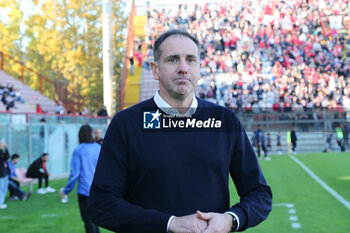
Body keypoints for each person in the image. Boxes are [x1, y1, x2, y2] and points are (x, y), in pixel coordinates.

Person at [88, 29, 272, 233]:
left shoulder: (225, 121)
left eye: (190, 59)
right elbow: (101, 204)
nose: (183, 68)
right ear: (155, 69)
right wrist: (169, 223)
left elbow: (259, 194)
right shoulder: (126, 124)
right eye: (173, 59)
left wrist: (231, 219)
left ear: (199, 68)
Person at [60, 125, 101, 233]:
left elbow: (74, 174)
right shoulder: (98, 148)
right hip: (99, 190)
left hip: (85, 191)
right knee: (95, 220)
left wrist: (66, 191)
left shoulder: (78, 150)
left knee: (88, 220)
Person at [0, 140, 10, 209]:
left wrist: (6, 149)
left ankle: (1, 202)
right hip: (0, 173)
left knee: (4, 188)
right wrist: (0, 149)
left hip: (5, 172)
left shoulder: (2, 152)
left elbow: (7, 157)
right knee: (0, 189)